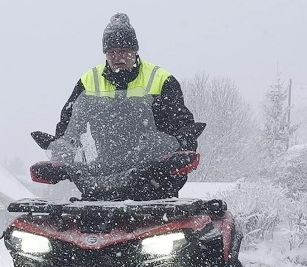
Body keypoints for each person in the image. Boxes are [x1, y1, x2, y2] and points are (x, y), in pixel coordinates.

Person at [49, 13, 202, 198]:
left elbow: (182, 123)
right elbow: (69, 123)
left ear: (135, 50)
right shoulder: (88, 81)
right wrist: (61, 150)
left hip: (154, 177)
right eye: (111, 52)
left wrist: (182, 148)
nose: (117, 57)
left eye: (123, 51)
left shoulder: (161, 80)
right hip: (102, 177)